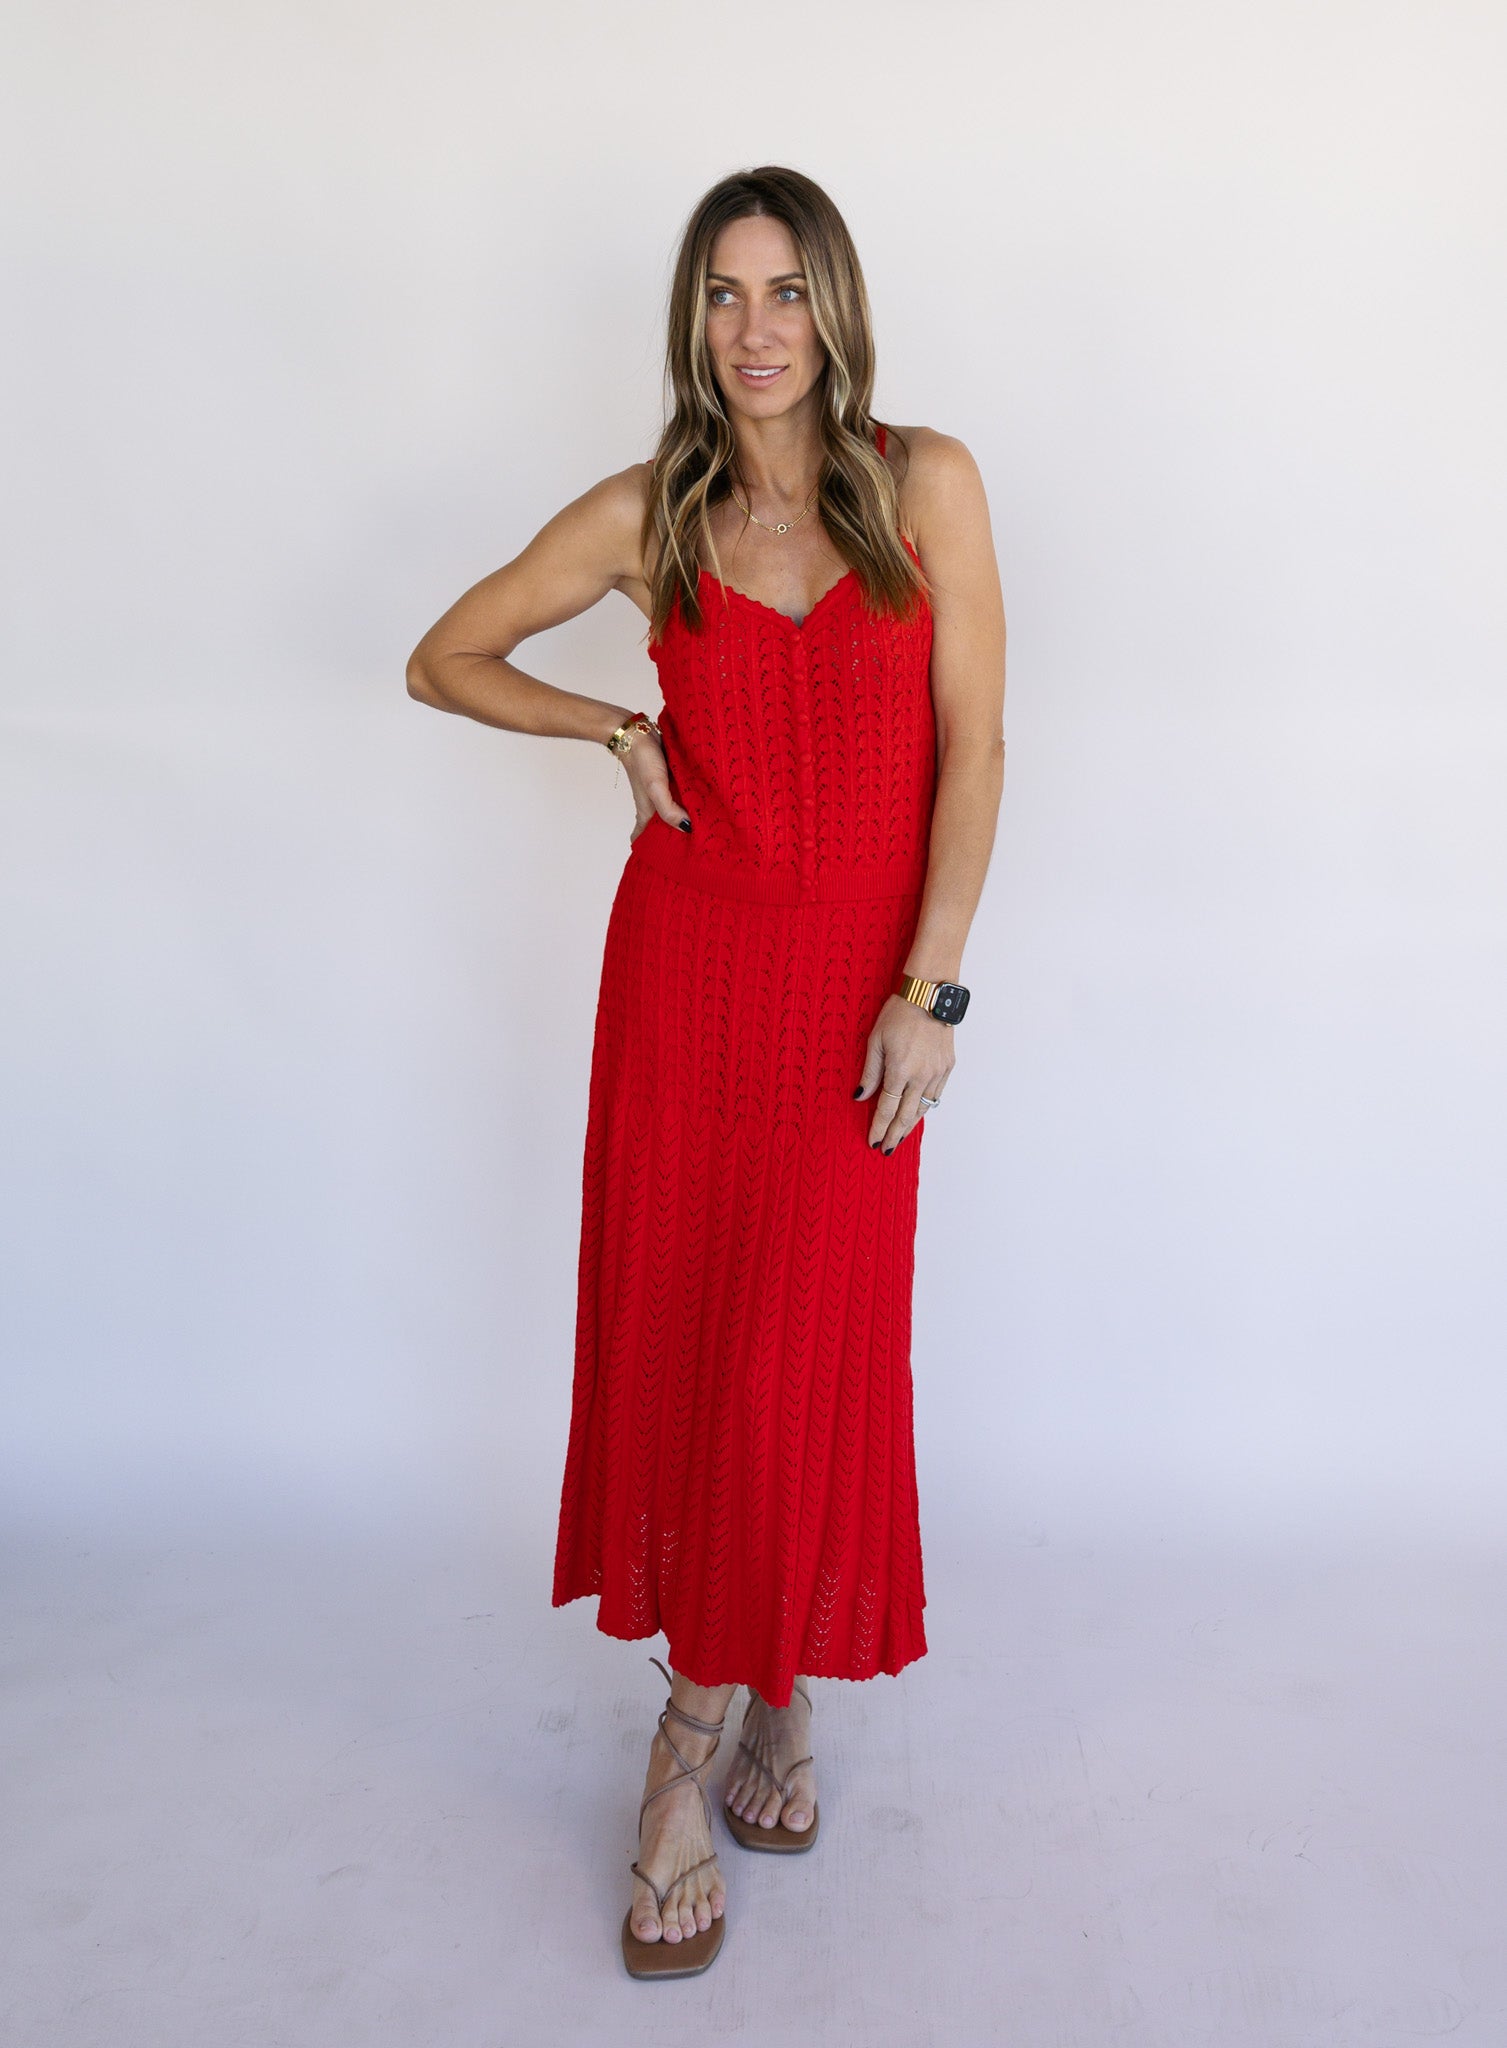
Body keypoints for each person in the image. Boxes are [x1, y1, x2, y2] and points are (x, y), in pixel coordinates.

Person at [405, 164, 1006, 1978]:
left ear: (837, 306)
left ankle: (716, 1722)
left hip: (855, 1002)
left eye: (787, 290)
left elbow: (977, 746)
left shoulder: (927, 484)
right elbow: (445, 659)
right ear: (693, 320)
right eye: (726, 295)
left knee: (800, 1348)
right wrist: (614, 726)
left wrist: (932, 990)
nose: (758, 329)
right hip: (687, 986)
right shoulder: (648, 513)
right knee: (707, 1343)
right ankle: (744, 1713)